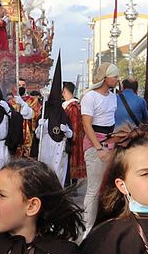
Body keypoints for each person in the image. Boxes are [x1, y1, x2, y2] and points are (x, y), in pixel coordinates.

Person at [79, 66, 118, 228]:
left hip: (110, 143)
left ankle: (102, 223)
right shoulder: (90, 97)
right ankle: (87, 227)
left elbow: (111, 121)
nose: (117, 79)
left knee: (108, 187)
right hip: (96, 145)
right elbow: (87, 125)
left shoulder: (113, 97)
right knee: (94, 189)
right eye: (114, 76)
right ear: (105, 78)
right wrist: (99, 148)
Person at [36, 65, 72, 187]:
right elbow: (37, 135)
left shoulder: (63, 114)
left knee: (58, 173)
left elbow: (70, 134)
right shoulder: (45, 114)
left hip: (59, 148)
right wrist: (40, 127)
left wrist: (66, 130)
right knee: (46, 172)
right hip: (46, 148)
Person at [62, 81, 85, 184]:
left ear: (65, 91)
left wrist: (71, 138)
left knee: (71, 162)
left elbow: (75, 125)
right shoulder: (72, 105)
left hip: (72, 139)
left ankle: (72, 184)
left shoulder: (73, 107)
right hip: (70, 137)